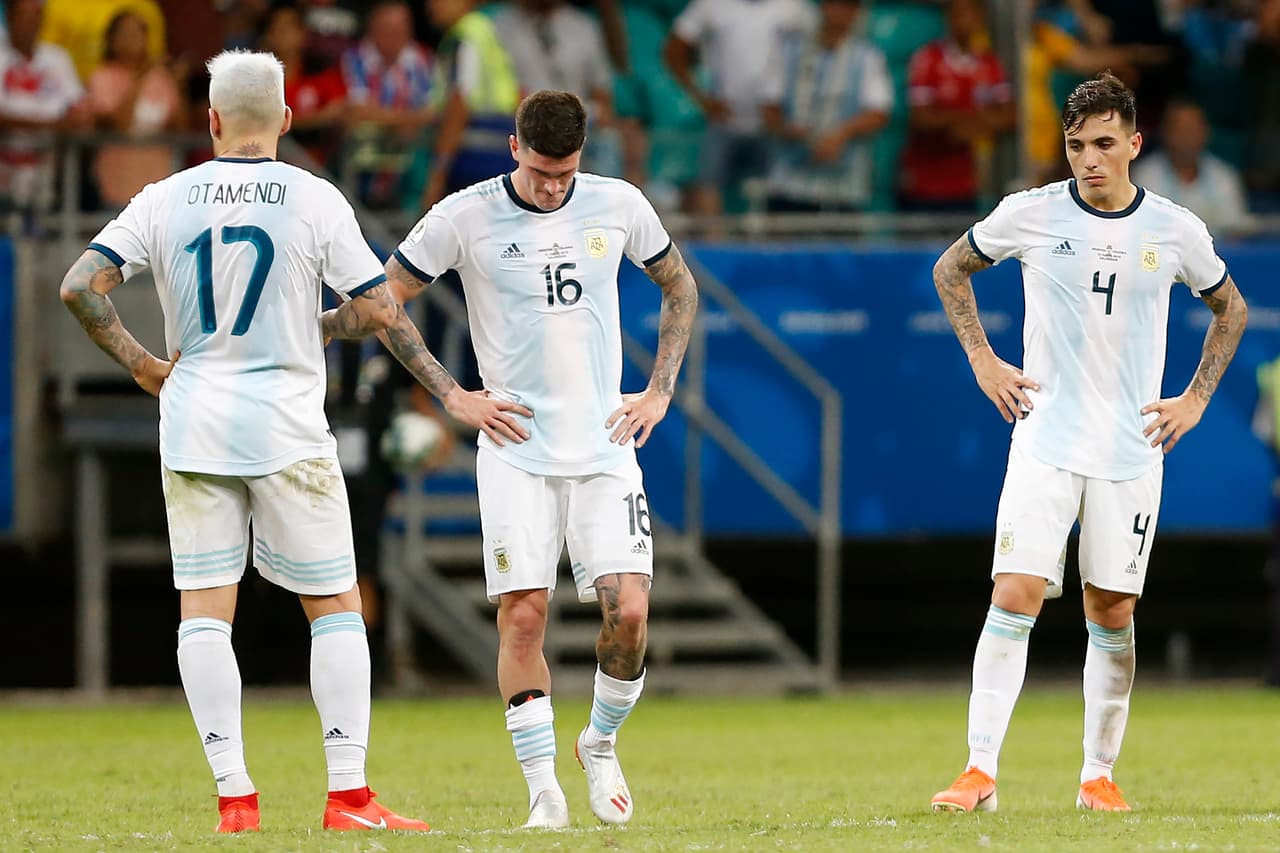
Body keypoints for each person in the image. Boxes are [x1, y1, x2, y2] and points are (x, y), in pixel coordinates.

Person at [57, 49, 429, 835]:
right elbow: (379, 310)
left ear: (212, 120)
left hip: (194, 419)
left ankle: (235, 799)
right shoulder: (313, 197)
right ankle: (348, 796)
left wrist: (145, 365)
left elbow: (79, 286)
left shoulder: (166, 196)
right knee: (332, 604)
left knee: (204, 611)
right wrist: (325, 330)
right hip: (288, 421)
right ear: (288, 120)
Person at [928, 71, 1248, 814]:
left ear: (1135, 144)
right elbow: (951, 268)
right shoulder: (1031, 213)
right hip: (1044, 436)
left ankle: (1097, 775)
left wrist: (1196, 399)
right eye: (1076, 145)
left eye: (1104, 144)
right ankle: (979, 772)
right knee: (1016, 592)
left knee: (1111, 611)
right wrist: (983, 359)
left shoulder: (1173, 228)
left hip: (1131, 448)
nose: (1089, 159)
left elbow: (1230, 309)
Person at [379, 89, 698, 828]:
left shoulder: (618, 204)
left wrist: (658, 389)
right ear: (516, 148)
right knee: (523, 617)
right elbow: (385, 299)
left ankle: (599, 740)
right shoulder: (465, 214)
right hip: (517, 449)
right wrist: (454, 394)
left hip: (604, 446)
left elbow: (679, 285)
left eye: (567, 173)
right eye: (542, 171)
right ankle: (543, 791)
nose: (554, 187)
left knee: (632, 613)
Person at [760, 0, 892, 213]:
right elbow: (768, 108)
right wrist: (790, 130)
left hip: (844, 186)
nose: (841, 12)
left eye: (849, 6)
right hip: (789, 183)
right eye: (835, 4)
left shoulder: (867, 56)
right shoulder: (789, 50)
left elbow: (878, 112)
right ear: (823, 7)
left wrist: (841, 134)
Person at [899, 0, 1015, 212]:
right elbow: (920, 118)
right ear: (948, 18)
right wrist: (968, 120)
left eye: (970, 14)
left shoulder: (988, 64)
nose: (964, 21)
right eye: (958, 14)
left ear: (980, 19)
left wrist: (973, 125)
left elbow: (1009, 116)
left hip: (968, 183)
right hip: (925, 181)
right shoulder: (928, 59)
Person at [420, 0, 520, 208]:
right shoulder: (484, 31)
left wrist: (438, 173)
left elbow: (460, 103)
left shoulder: (466, 39)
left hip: (475, 161)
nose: (431, 5)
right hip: (502, 155)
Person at [87, 10, 185, 208]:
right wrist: (140, 77)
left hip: (160, 187)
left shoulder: (160, 78)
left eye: (139, 33)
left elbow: (181, 128)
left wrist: (178, 84)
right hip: (118, 188)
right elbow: (120, 124)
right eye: (127, 33)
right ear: (112, 40)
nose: (135, 39)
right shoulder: (102, 77)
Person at [1132, 98, 1250, 235]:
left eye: (1193, 128)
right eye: (1180, 129)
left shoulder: (1224, 177)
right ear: (1165, 132)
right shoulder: (1145, 176)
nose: (1187, 136)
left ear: (1206, 132)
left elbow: (1235, 232)